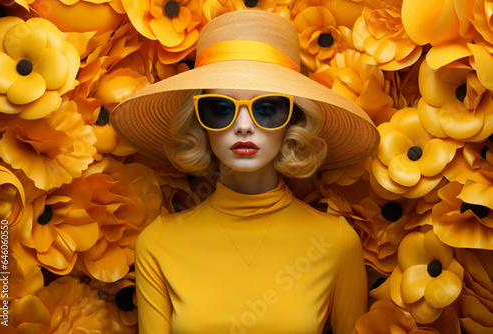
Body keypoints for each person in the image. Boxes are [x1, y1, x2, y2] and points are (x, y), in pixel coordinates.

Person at [110, 10, 380, 334]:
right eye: (221, 108)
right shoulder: (157, 243)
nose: (243, 127)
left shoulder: (336, 242)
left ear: (292, 120)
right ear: (199, 121)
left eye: (267, 108)